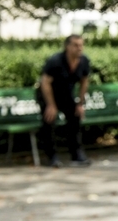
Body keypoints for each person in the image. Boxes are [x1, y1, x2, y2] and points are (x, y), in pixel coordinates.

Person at [37, 34, 91, 167]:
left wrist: (80, 104)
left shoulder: (84, 61)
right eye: (75, 45)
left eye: (81, 45)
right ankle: (52, 156)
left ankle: (76, 154)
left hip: (66, 94)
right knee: (49, 120)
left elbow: (84, 82)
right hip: (47, 95)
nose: (79, 48)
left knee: (75, 117)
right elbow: (45, 82)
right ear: (67, 47)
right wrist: (50, 105)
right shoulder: (55, 61)